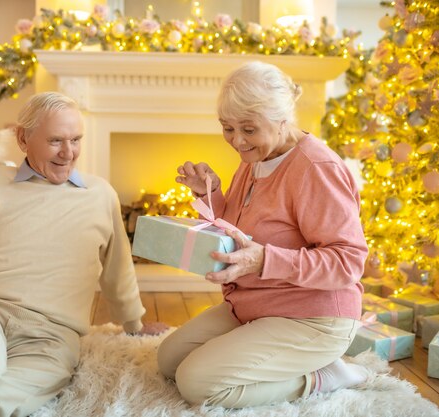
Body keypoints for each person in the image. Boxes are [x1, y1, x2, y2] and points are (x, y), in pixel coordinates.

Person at [0, 92, 166, 417]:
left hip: (50, 336)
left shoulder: (100, 195)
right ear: (24, 138)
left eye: (76, 139)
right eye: (55, 141)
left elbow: (117, 269)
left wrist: (133, 322)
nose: (68, 153)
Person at [157, 61, 370, 408]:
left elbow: (348, 262)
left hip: (313, 318)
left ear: (283, 119)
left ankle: (321, 377)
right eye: (227, 128)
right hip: (255, 305)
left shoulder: (316, 169)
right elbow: (241, 233)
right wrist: (208, 193)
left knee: (196, 384)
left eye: (248, 129)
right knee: (169, 361)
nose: (237, 141)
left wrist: (264, 259)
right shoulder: (256, 156)